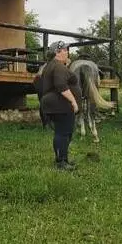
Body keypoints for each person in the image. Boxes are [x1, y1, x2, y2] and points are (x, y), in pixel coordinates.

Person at [40, 41, 80, 170]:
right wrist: (73, 102)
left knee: (63, 132)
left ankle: (62, 159)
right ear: (57, 52)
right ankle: (61, 163)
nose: (67, 52)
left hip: (54, 104)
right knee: (63, 133)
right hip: (61, 104)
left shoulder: (52, 65)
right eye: (64, 50)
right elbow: (61, 86)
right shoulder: (58, 67)